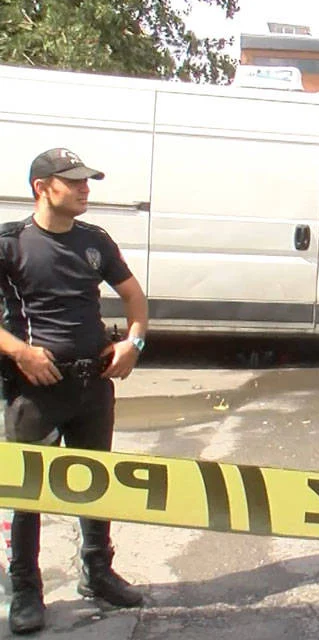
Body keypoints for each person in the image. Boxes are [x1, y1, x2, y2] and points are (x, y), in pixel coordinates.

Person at [1, 149, 150, 634]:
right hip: (35, 389)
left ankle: (98, 572)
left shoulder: (94, 241)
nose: (86, 188)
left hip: (94, 384)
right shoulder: (11, 243)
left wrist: (133, 343)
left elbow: (134, 298)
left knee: (95, 482)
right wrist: (21, 353)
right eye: (75, 181)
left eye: (88, 181)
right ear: (43, 187)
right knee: (31, 492)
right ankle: (25, 588)